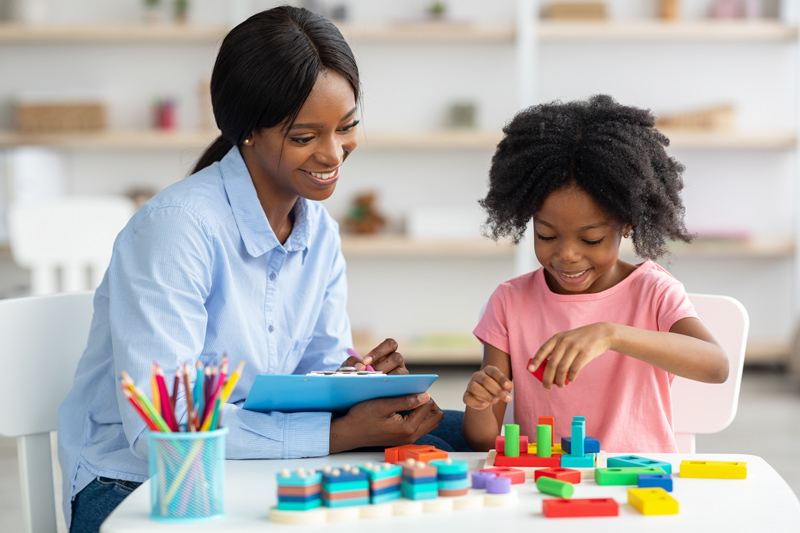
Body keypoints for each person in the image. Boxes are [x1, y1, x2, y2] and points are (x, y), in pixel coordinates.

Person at [57, 7, 465, 533]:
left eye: (348, 126)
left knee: (463, 438)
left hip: (259, 464)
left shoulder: (318, 233)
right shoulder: (176, 229)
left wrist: (359, 384)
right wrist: (340, 435)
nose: (333, 152)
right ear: (247, 131)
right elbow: (164, 429)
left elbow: (314, 376)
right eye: (304, 136)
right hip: (140, 482)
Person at [461, 95, 730, 454]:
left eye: (591, 238)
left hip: (635, 479)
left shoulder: (653, 291)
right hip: (544, 481)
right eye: (546, 235)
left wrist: (611, 334)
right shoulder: (510, 301)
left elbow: (716, 365)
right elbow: (482, 441)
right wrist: (479, 402)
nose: (567, 255)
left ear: (627, 225)